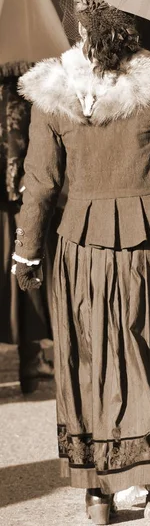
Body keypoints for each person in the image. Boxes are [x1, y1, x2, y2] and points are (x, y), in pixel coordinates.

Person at [12, 0, 150, 526]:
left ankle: (98, 495)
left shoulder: (52, 91)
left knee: (94, 360)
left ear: (77, 31)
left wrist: (26, 253)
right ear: (129, 27)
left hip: (84, 248)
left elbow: (39, 183)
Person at [0, 69, 55, 394]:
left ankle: (33, 357)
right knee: (26, 266)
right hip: (21, 199)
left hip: (15, 200)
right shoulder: (27, 90)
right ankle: (31, 358)